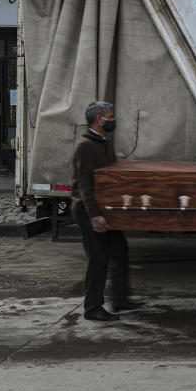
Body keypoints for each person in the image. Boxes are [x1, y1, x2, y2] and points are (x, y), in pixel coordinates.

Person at [72, 101, 140, 322]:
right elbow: (85, 185)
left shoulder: (103, 142)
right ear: (99, 119)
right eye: (110, 116)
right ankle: (92, 308)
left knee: (120, 251)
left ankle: (120, 299)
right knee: (98, 259)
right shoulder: (85, 145)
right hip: (88, 211)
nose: (113, 120)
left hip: (105, 209)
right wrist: (94, 215)